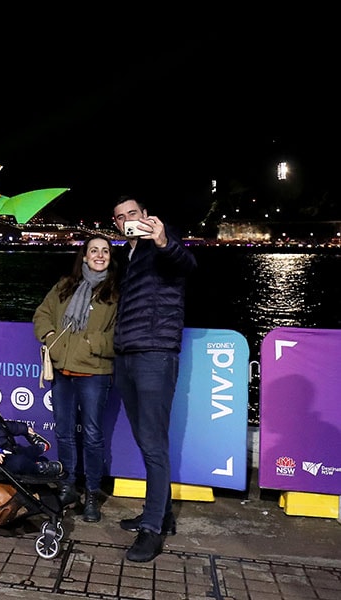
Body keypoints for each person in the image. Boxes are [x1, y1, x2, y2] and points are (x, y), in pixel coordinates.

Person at [111, 195, 197, 563]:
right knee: (146, 441)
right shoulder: (126, 258)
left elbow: (186, 263)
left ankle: (152, 531)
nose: (128, 219)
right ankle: (157, 512)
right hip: (128, 356)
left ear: (146, 216)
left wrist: (162, 240)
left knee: (153, 444)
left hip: (155, 356)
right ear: (115, 225)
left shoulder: (161, 245)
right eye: (120, 217)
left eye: (133, 213)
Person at [31, 236, 119, 523]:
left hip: (94, 373)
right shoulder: (65, 286)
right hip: (62, 372)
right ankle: (68, 485)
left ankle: (92, 492)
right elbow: (42, 314)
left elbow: (119, 336)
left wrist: (91, 342)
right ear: (83, 256)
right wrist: (49, 335)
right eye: (94, 250)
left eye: (105, 251)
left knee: (92, 436)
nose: (99, 255)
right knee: (64, 432)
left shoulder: (115, 292)